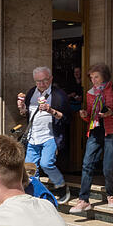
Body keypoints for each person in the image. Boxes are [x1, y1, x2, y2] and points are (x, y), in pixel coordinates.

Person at [70, 63, 113, 213]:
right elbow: (90, 115)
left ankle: (112, 194)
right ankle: (83, 200)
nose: (93, 80)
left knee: (108, 167)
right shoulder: (90, 93)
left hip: (111, 131)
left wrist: (111, 113)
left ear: (104, 77)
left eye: (96, 77)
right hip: (95, 131)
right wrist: (84, 116)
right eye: (91, 77)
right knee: (87, 164)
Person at [16, 67, 70, 204]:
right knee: (30, 169)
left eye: (44, 80)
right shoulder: (30, 93)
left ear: (51, 79)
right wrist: (22, 107)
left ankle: (61, 186)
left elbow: (67, 118)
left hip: (50, 136)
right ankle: (36, 194)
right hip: (33, 137)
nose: (41, 84)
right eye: (38, 81)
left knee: (46, 163)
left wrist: (50, 110)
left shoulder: (59, 95)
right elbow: (25, 114)